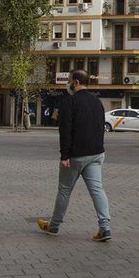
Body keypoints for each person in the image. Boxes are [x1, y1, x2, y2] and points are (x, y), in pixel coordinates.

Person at [37, 69, 112, 241]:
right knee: (97, 190)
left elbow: (65, 132)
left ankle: (53, 226)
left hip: (75, 156)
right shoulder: (97, 102)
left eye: (69, 79)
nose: (68, 83)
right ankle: (105, 228)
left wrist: (64, 156)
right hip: (96, 154)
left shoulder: (69, 102)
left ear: (76, 82)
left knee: (64, 190)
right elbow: (100, 128)